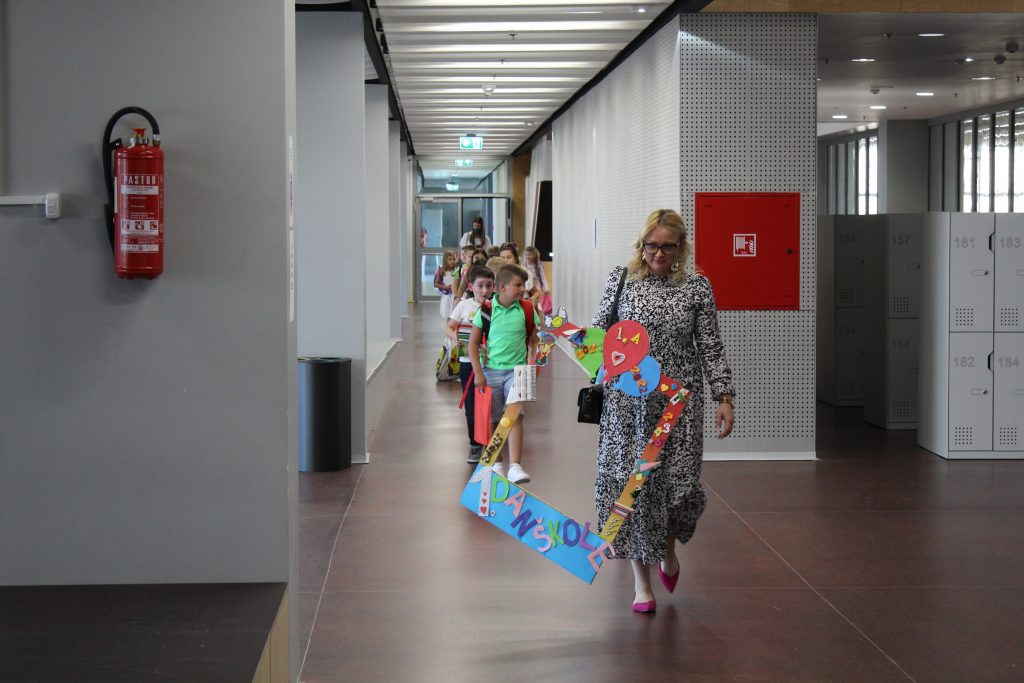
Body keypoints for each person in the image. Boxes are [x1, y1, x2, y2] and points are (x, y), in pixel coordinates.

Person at [591, 208, 735, 614]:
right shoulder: (622, 280)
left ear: (681, 247)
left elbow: (710, 345)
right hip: (629, 406)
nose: (658, 253)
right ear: (641, 245)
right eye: (651, 245)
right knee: (634, 489)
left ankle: (667, 550)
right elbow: (598, 335)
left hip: (679, 406)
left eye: (667, 247)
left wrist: (724, 396)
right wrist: (597, 357)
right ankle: (642, 584)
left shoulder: (696, 287)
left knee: (677, 487)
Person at [468, 263, 539, 485]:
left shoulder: (527, 310)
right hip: (490, 371)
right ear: (502, 287)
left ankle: (515, 466)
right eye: (518, 285)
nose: (523, 289)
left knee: (515, 415)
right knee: (493, 418)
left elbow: (535, 340)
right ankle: (496, 462)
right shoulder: (486, 311)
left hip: (518, 372)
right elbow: (472, 345)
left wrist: (533, 363)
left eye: (524, 285)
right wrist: (478, 373)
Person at [446, 265, 495, 463]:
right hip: (468, 362)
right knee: (472, 406)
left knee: (493, 404)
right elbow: (450, 327)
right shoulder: (464, 306)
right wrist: (454, 337)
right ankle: (475, 445)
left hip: (493, 364)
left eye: (489, 285)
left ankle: (492, 443)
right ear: (470, 286)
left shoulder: (497, 306)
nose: (485, 290)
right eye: (480, 285)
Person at [523, 245, 549, 310]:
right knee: (528, 304)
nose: (527, 256)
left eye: (529, 255)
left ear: (534, 255)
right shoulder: (524, 265)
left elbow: (543, 278)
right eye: (526, 255)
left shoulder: (539, 266)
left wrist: (546, 289)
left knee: (536, 305)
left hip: (536, 289)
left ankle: (536, 313)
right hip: (527, 289)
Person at [433, 250, 458, 318]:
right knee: (447, 314)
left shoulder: (456, 270)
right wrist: (445, 287)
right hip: (446, 296)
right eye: (449, 259)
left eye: (454, 259)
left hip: (455, 295)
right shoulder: (441, 270)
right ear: (445, 260)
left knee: (455, 314)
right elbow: (436, 284)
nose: (452, 261)